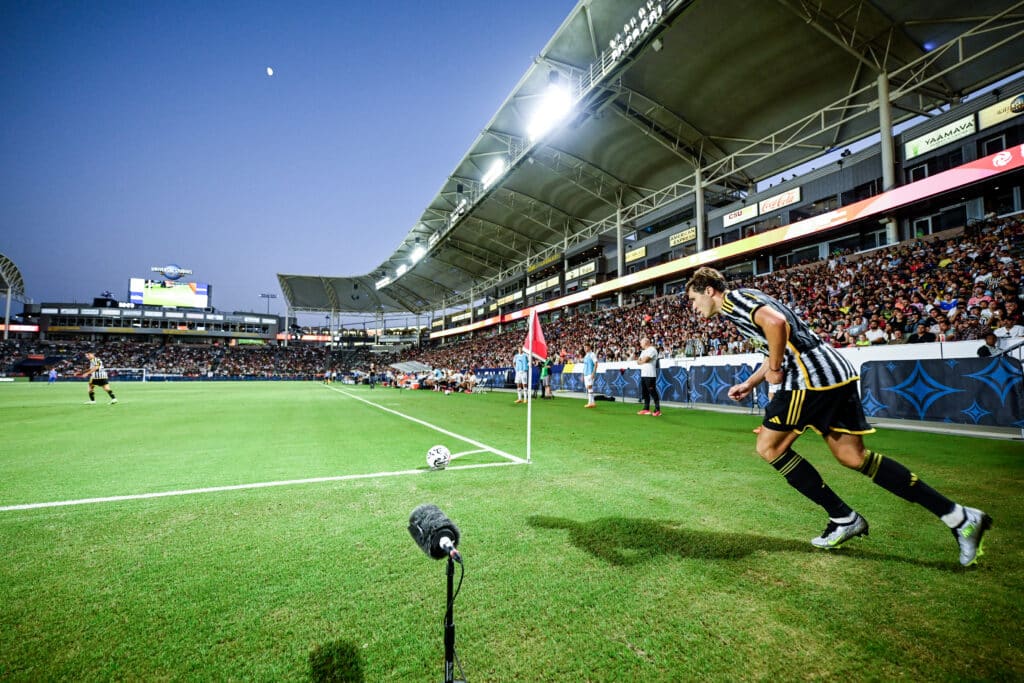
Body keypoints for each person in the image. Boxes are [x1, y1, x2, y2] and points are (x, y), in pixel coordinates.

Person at [685, 266, 991, 566]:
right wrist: (752, 382)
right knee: (853, 457)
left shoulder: (733, 302)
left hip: (809, 380)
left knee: (769, 447)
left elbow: (777, 325)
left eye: (694, 300)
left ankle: (843, 517)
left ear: (709, 291)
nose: (694, 308)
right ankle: (959, 516)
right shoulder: (749, 296)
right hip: (835, 372)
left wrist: (776, 370)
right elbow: (778, 340)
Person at [636, 336, 661, 416]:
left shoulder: (652, 350)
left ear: (646, 342)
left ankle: (657, 410)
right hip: (644, 374)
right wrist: (642, 360)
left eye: (641, 343)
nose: (640, 344)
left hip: (650, 374)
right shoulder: (643, 351)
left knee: (652, 392)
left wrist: (642, 360)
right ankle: (646, 409)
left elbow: (645, 360)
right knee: (645, 392)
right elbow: (638, 362)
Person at [582, 343, 598, 408]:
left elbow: (596, 364)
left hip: (590, 373)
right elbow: (585, 366)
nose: (585, 349)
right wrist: (583, 374)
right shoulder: (586, 356)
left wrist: (593, 373)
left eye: (586, 347)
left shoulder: (592, 354)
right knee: (588, 388)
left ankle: (589, 403)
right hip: (586, 374)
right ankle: (593, 402)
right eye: (584, 347)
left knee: (589, 387)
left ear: (589, 347)